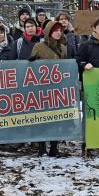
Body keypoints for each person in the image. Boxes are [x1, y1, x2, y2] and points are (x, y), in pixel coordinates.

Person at [30, 21, 68, 157]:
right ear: (48, 32)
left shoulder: (63, 48)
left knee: (56, 117)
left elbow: (66, 67)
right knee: (42, 117)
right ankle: (41, 146)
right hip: (42, 88)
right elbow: (31, 68)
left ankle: (54, 146)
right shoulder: (39, 46)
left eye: (60, 30)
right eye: (55, 30)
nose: (58, 32)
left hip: (58, 88)